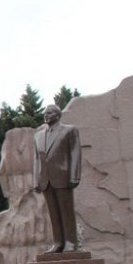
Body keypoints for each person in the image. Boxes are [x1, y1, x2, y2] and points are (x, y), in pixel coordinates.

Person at [33, 104, 82, 253]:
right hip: (45, 180)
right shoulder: (38, 135)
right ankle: (58, 242)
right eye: (45, 113)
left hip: (63, 177)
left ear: (57, 115)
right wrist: (36, 179)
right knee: (53, 213)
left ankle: (71, 242)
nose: (46, 115)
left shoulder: (69, 130)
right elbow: (37, 159)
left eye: (49, 113)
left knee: (66, 212)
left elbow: (75, 153)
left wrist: (74, 176)